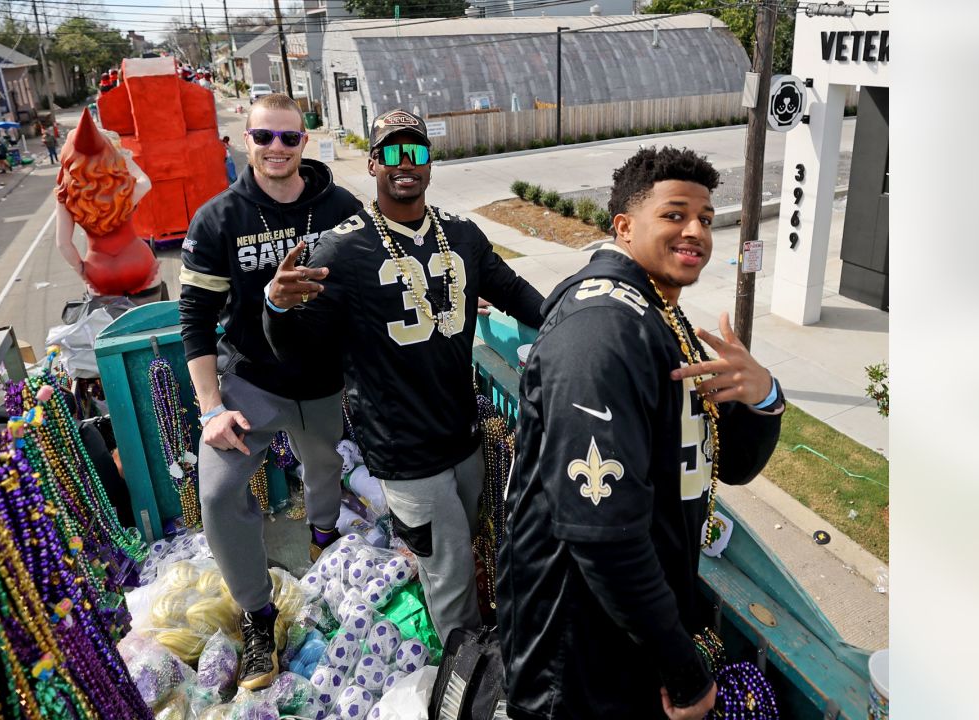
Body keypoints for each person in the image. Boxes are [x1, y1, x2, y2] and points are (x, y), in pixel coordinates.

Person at [495, 146, 786, 720]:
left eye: (704, 217)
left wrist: (764, 396)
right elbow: (601, 533)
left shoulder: (661, 314)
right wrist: (683, 669)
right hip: (576, 645)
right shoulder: (603, 329)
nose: (695, 230)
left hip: (628, 627)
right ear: (624, 227)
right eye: (675, 214)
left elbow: (731, 464)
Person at [264, 109, 545, 647]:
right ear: (372, 163)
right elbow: (295, 352)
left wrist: (576, 313)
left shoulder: (461, 234)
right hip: (405, 452)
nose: (405, 163)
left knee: (463, 553)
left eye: (416, 152)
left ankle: (470, 653)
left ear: (430, 164)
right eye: (392, 152)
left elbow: (514, 292)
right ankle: (465, 681)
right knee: (450, 575)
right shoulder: (342, 248)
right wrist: (276, 306)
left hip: (462, 434)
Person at [179, 92, 363, 690]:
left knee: (324, 467)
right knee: (218, 492)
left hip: (322, 379)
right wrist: (210, 409)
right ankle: (258, 615)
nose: (276, 148)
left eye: (288, 138)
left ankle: (323, 537)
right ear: (245, 141)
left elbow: (379, 280)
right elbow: (195, 321)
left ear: (305, 142)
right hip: (250, 380)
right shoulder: (218, 219)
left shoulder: (341, 206)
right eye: (264, 137)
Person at [54, 109, 164, 299]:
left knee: (109, 326)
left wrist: (82, 270)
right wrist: (125, 159)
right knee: (155, 324)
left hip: (99, 273)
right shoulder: (122, 190)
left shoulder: (66, 196)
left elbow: (63, 244)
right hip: (138, 264)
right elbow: (145, 183)